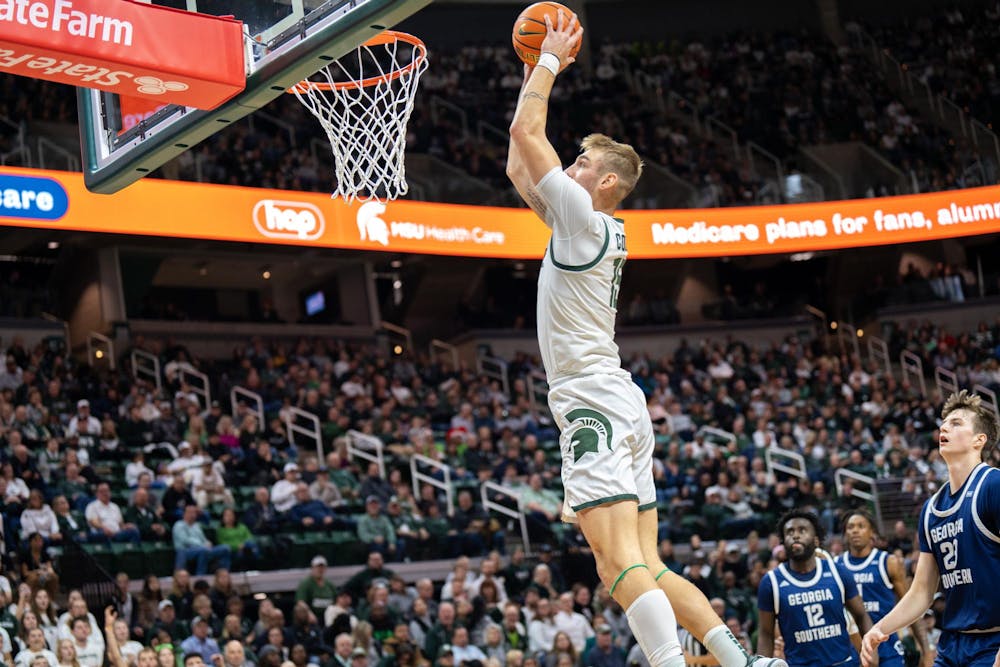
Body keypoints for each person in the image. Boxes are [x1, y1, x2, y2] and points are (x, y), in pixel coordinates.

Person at [505, 12, 782, 667]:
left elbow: (525, 133)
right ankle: (739, 662)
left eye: (580, 161)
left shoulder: (581, 219)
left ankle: (666, 661)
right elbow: (521, 163)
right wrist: (528, 71)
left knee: (616, 563)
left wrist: (548, 64)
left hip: (591, 400)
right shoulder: (590, 226)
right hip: (620, 398)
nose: (568, 166)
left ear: (604, 182)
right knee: (649, 563)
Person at [862, 390, 1000, 667]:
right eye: (944, 423)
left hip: (993, 643)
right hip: (952, 645)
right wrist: (880, 629)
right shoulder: (931, 509)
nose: (944, 427)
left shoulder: (993, 486)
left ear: (979, 440)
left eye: (957, 422)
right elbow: (922, 591)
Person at [758, 510, 872, 667]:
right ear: (783, 541)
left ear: (816, 540)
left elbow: (862, 616)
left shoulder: (838, 572)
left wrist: (871, 654)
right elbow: (766, 634)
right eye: (790, 532)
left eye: (802, 530)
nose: (795, 535)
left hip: (844, 663)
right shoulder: (770, 582)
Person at [836, 510, 930, 667]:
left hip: (886, 646)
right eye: (850, 527)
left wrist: (927, 649)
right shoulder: (836, 565)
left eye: (861, 526)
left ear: (872, 532)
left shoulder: (889, 562)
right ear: (845, 533)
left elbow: (911, 605)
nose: (855, 530)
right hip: (852, 649)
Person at [173, 505, 231, 575]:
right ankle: (200, 576)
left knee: (225, 548)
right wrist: (202, 545)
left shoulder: (196, 526)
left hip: (202, 548)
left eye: (194, 513)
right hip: (186, 551)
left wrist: (207, 542)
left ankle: (223, 573)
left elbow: (203, 539)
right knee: (203, 550)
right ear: (184, 514)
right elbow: (185, 540)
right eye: (190, 512)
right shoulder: (179, 525)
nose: (192, 515)